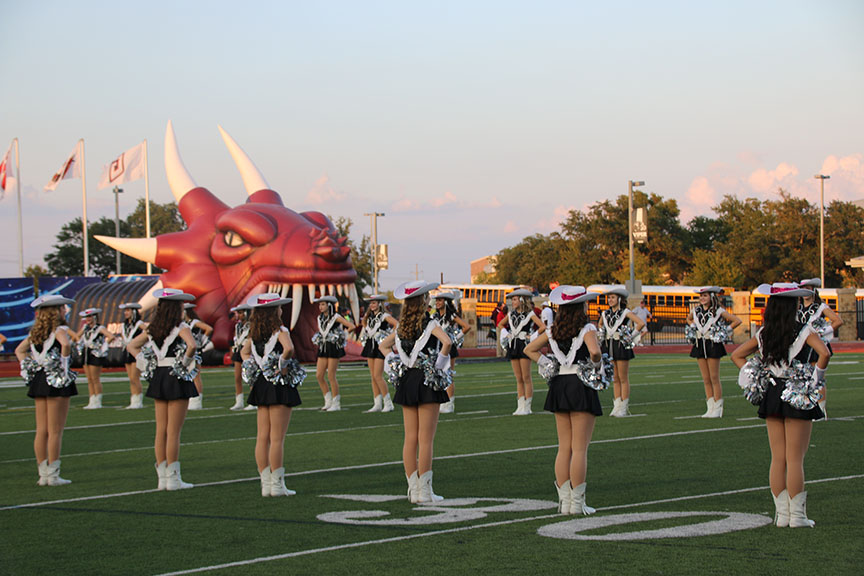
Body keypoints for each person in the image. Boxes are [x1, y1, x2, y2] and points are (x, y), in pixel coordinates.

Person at [732, 282, 829, 528]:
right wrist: (815, 378)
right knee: (795, 459)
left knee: (778, 458)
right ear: (793, 305)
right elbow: (825, 353)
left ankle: (782, 516)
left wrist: (754, 376)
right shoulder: (804, 330)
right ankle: (797, 517)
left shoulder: (765, 332)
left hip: (772, 393)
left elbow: (737, 355)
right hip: (797, 392)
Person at [524, 286, 604, 515]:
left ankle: (565, 502)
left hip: (560, 385)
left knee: (564, 447)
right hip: (580, 385)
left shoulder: (553, 330)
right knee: (579, 449)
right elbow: (595, 352)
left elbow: (529, 349)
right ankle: (577, 503)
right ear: (581, 307)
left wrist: (548, 364)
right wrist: (596, 366)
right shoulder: (587, 328)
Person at [379, 280, 452, 503]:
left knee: (410, 437)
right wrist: (439, 366)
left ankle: (413, 490)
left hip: (407, 380)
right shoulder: (429, 323)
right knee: (426, 439)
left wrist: (393, 361)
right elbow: (447, 342)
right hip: (426, 379)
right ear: (422, 301)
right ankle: (425, 491)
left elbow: (383, 345)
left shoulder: (401, 327)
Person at [127, 288, 200, 491]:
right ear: (175, 307)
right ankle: (174, 478)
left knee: (161, 430)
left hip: (159, 376)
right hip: (176, 376)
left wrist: (145, 363)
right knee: (174, 432)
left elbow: (131, 346)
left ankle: (162, 479)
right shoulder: (181, 326)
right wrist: (185, 364)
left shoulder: (153, 328)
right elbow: (192, 346)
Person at [241, 293, 305, 497]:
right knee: (277, 438)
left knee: (263, 436)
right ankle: (277, 485)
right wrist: (281, 365)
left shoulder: (255, 333)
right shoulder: (280, 330)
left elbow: (243, 352)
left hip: (261, 383)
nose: (281, 310)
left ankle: (265, 484)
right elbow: (289, 348)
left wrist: (254, 366)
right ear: (273, 311)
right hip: (277, 383)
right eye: (278, 307)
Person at [15, 294, 78, 486]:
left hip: (40, 379)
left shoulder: (35, 333)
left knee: (41, 430)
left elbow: (19, 350)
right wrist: (65, 365)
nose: (64, 311)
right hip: (56, 378)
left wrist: (28, 366)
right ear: (55, 312)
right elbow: (66, 345)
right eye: (62, 308)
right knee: (55, 430)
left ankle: (43, 474)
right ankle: (53, 474)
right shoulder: (59, 330)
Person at [686, 287, 742, 418]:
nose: (702, 298)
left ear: (711, 297)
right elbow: (688, 319)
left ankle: (718, 407)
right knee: (706, 379)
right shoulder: (696, 310)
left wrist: (724, 331)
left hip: (713, 345)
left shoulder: (718, 311)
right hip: (700, 344)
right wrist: (693, 326)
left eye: (705, 295)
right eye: (701, 296)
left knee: (714, 378)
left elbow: (737, 321)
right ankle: (710, 407)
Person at [797, 278, 842, 419]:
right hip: (801, 345)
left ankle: (821, 409)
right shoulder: (797, 307)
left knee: (818, 376)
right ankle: (807, 405)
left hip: (816, 346)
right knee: (803, 375)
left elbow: (838, 321)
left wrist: (822, 332)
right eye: (803, 288)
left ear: (814, 289)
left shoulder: (820, 307)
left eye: (808, 288)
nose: (806, 291)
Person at [497, 288, 546, 415]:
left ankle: (527, 406)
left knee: (526, 377)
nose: (512, 302)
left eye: (514, 299)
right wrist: (506, 334)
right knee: (518, 378)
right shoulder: (510, 314)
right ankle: (520, 405)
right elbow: (500, 325)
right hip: (513, 345)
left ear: (521, 300)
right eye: (512, 299)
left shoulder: (530, 314)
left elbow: (542, 327)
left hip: (524, 345)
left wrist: (531, 336)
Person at [598, 287, 645, 417]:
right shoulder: (605, 313)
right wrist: (602, 334)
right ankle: (616, 405)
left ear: (619, 299)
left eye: (613, 297)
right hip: (609, 346)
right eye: (609, 297)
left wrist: (630, 336)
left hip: (621, 346)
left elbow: (640, 323)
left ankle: (624, 406)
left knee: (623, 378)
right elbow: (600, 324)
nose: (610, 300)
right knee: (615, 378)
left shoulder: (625, 312)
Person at [313, 295, 356, 412]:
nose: (320, 307)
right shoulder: (320, 317)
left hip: (333, 347)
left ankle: (336, 403)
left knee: (331, 375)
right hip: (323, 347)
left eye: (323, 304)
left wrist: (342, 336)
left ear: (329, 305)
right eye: (320, 304)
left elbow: (351, 326)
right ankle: (328, 401)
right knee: (319, 375)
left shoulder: (336, 317)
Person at [432, 291, 472, 414]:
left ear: (446, 301)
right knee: (438, 375)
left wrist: (455, 338)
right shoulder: (434, 317)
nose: (438, 302)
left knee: (448, 375)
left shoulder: (452, 315)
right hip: (437, 347)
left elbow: (466, 327)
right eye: (437, 300)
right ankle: (441, 402)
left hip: (449, 347)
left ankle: (449, 403)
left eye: (440, 300)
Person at [359, 294, 398, 413]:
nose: (372, 305)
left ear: (380, 304)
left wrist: (388, 336)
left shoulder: (384, 316)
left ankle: (388, 403)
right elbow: (365, 326)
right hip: (370, 345)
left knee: (378, 376)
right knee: (373, 376)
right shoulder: (369, 317)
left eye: (374, 303)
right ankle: (377, 403)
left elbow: (397, 324)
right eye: (370, 303)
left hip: (380, 346)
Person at [73, 308, 115, 409]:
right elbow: (75, 336)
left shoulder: (100, 328)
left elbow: (111, 336)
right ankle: (91, 401)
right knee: (89, 379)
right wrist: (80, 342)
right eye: (86, 317)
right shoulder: (85, 328)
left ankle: (98, 401)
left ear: (95, 317)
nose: (87, 319)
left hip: (95, 354)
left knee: (95, 379)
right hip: (86, 353)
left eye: (89, 316)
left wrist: (103, 346)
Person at [183, 303, 212, 410]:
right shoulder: (184, 323)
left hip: (195, 351)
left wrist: (202, 340)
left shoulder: (194, 322)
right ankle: (191, 398)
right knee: (188, 375)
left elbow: (208, 328)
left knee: (195, 376)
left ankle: (197, 400)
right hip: (186, 351)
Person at [119, 303, 146, 409]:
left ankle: (138, 400)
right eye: (125, 311)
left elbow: (149, 331)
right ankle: (133, 400)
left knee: (135, 377)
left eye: (128, 310)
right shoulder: (124, 325)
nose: (126, 313)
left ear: (134, 312)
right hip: (127, 352)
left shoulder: (139, 323)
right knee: (131, 378)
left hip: (136, 352)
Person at [228, 304, 254, 411]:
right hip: (238, 351)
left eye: (241, 312)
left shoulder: (251, 325)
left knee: (250, 376)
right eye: (238, 313)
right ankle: (239, 401)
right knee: (237, 377)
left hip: (247, 351)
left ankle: (253, 401)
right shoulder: (237, 325)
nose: (238, 315)